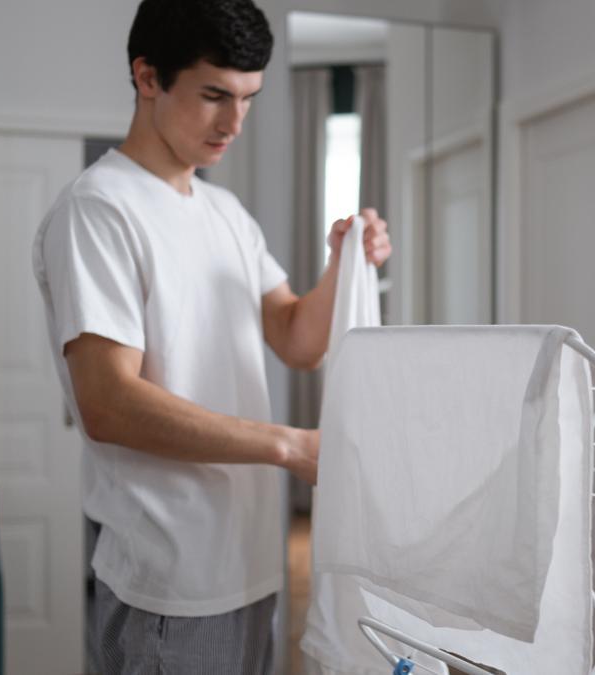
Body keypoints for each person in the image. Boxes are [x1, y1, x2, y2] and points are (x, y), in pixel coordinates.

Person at [31, 0, 391, 672]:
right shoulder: (99, 210)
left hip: (252, 566)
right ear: (147, 78)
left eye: (250, 99)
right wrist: (288, 445)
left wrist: (344, 265)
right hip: (170, 582)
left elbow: (295, 337)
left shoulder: (226, 212)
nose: (234, 123)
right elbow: (108, 403)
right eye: (214, 95)